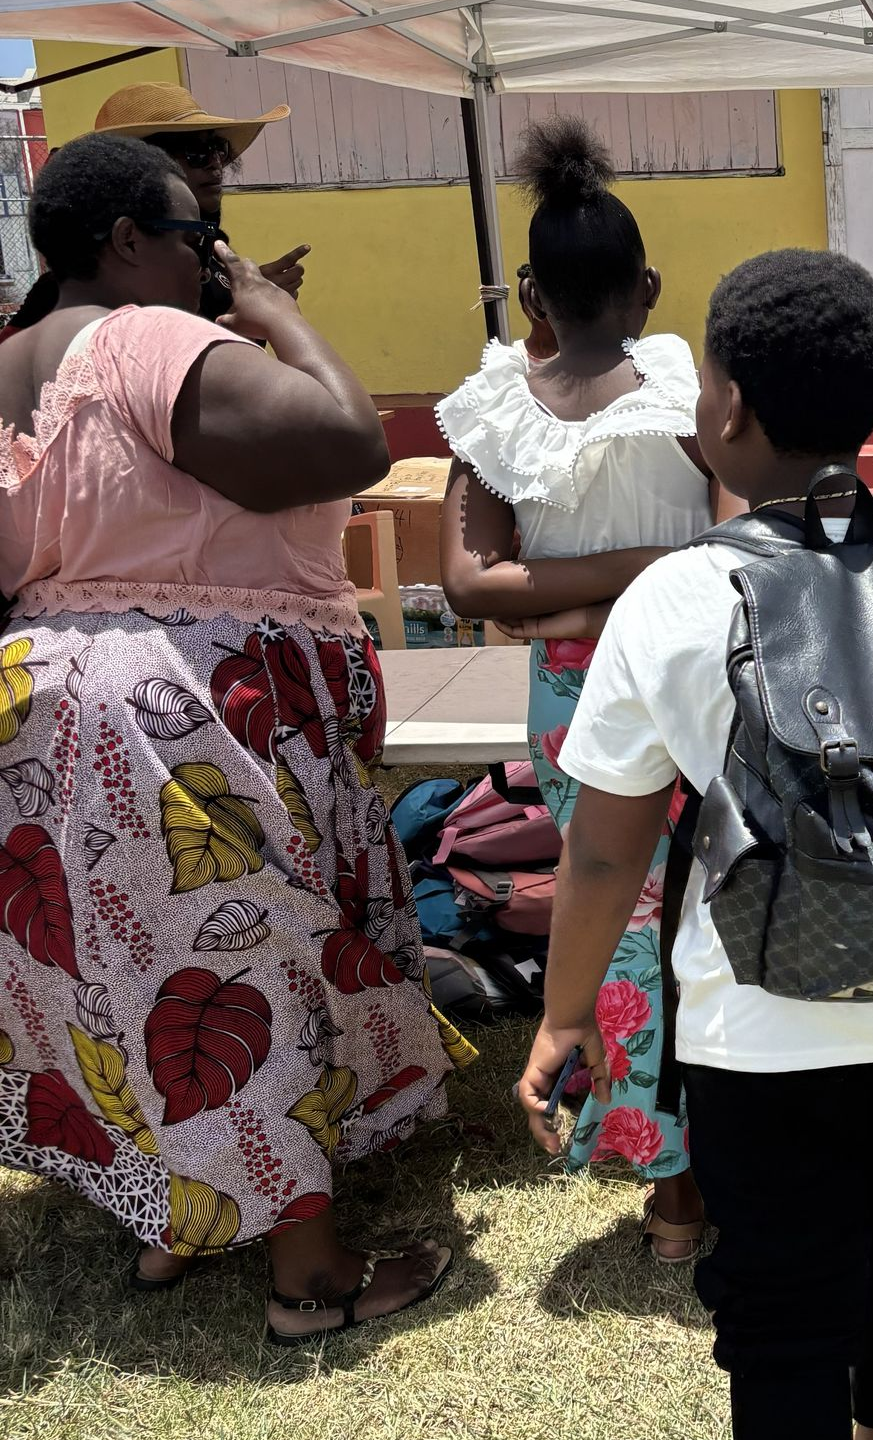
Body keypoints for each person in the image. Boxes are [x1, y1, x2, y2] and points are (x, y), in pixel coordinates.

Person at [514, 247, 873, 1440]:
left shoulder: (674, 598)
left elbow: (609, 855)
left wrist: (566, 1016)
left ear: (724, 406)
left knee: (781, 1297)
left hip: (758, 1025)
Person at [0, 134, 466, 1337]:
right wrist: (267, 311)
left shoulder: (9, 363)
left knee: (124, 986)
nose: (215, 256)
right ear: (125, 242)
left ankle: (175, 1225)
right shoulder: (145, 338)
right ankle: (311, 1283)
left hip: (47, 713)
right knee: (238, 967)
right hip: (177, 716)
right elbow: (351, 440)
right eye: (197, 236)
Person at [439, 115, 721, 1257]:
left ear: (528, 293)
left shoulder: (496, 407)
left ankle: (645, 1153)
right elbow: (729, 546)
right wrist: (656, 573)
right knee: (698, 917)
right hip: (694, 679)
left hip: (574, 690)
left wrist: (574, 603)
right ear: (648, 284)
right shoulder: (687, 388)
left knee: (607, 919)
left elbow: (469, 581)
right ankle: (688, 1184)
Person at [92, 81, 311, 319]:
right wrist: (245, 315)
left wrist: (252, 291)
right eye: (196, 152)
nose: (215, 163)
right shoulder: (129, 257)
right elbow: (167, 352)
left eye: (218, 148)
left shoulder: (207, 242)